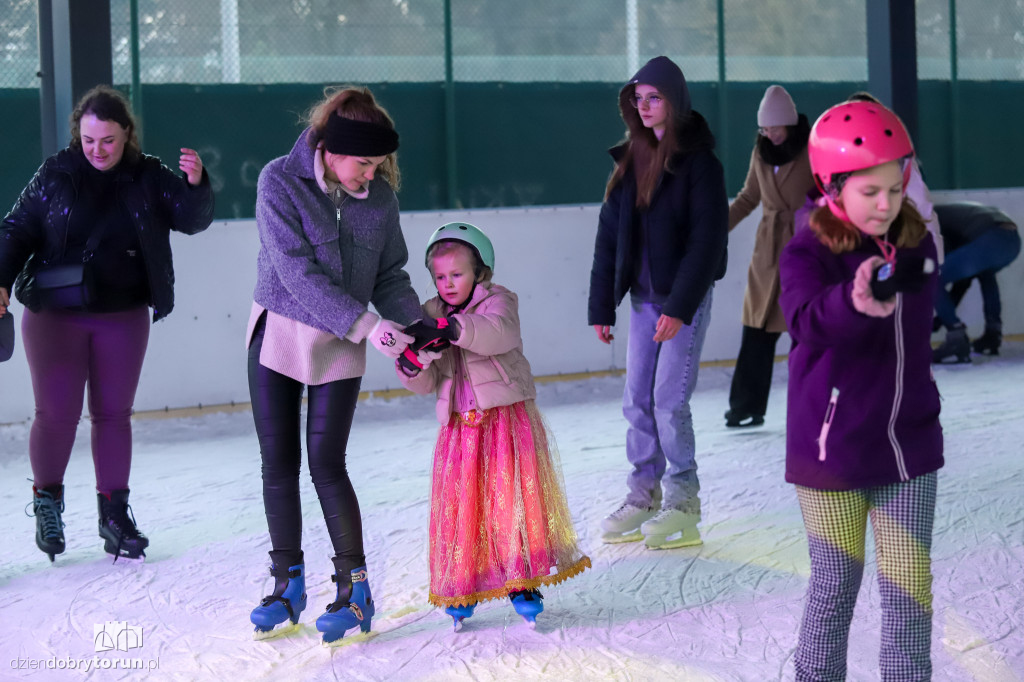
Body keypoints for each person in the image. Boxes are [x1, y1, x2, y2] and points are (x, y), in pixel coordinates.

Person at [0, 85, 215, 563]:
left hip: (123, 314)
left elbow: (190, 219)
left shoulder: (149, 176)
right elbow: (16, 230)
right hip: (55, 315)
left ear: (126, 136)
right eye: (89, 139)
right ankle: (48, 503)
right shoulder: (55, 173)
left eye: (108, 141)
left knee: (113, 415)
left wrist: (197, 185)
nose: (97, 150)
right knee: (56, 415)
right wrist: (0, 280)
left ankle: (114, 514)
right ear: (78, 133)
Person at [245, 86, 423, 644]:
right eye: (363, 164)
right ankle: (286, 585)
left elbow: (391, 274)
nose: (370, 175)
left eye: (378, 165)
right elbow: (295, 273)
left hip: (340, 341)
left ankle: (356, 591)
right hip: (278, 332)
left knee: (327, 463)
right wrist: (372, 326)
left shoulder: (381, 201)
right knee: (279, 462)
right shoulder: (277, 181)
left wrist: (416, 334)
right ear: (330, 149)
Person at [779, 100, 943, 681]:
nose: (886, 203)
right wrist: (853, 301)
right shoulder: (808, 251)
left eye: (895, 189)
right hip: (833, 454)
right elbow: (803, 319)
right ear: (832, 187)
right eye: (870, 191)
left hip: (908, 448)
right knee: (834, 586)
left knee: (908, 593)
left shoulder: (916, 245)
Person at [396, 222, 590, 631]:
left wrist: (453, 329)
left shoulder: (499, 301)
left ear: (480, 271)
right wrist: (413, 364)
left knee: (511, 503)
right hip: (459, 429)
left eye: (457, 274)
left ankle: (521, 580)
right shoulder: (431, 313)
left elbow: (497, 334)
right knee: (464, 508)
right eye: (440, 277)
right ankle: (462, 585)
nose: (448, 284)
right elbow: (428, 382)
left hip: (504, 422)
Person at [587, 56, 728, 548]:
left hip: (681, 302)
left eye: (655, 97)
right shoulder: (631, 159)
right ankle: (642, 495)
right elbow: (610, 239)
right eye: (637, 98)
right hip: (645, 303)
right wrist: (603, 306)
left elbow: (706, 243)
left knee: (668, 402)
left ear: (675, 100)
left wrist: (680, 307)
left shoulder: (700, 164)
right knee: (636, 402)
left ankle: (683, 503)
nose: (644, 106)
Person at [724, 85, 815, 428]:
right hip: (768, 249)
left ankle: (814, 403)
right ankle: (746, 406)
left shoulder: (811, 149)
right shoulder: (761, 151)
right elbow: (748, 198)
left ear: (790, 124)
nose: (770, 134)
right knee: (757, 327)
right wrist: (715, 234)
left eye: (775, 128)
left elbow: (827, 191)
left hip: (806, 246)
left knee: (807, 329)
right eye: (764, 129)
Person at [931, 201, 1020, 361]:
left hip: (988, 239)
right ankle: (993, 333)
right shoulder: (947, 213)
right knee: (985, 273)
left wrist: (945, 319)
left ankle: (956, 338)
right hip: (1011, 242)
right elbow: (964, 280)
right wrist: (942, 317)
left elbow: (956, 280)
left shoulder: (928, 221)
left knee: (931, 278)